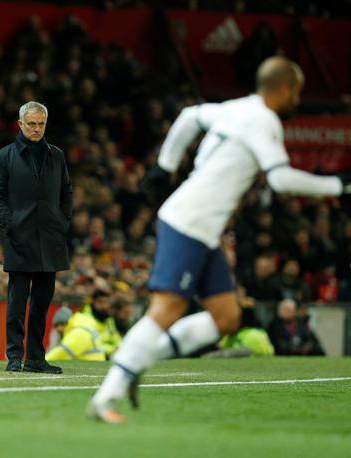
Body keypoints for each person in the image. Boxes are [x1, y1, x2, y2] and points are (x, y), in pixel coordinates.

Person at [87, 56, 351, 423]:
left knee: (226, 318)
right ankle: (108, 393)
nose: (298, 100)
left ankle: (137, 361)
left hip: (202, 228)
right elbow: (280, 180)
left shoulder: (234, 108)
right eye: (298, 92)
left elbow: (188, 117)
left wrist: (165, 165)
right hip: (190, 221)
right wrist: (339, 184)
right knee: (167, 310)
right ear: (285, 89)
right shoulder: (265, 121)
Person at [0, 101, 73, 373]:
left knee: (41, 305)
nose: (37, 129)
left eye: (41, 124)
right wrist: (12, 226)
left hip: (50, 240)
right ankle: (14, 356)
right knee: (17, 303)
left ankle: (36, 358)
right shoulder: (4, 157)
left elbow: (66, 192)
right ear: (20, 124)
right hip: (20, 239)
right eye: (32, 124)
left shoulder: (56, 155)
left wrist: (62, 223)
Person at [46, 289, 121, 362]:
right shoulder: (86, 320)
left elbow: (116, 338)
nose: (104, 306)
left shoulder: (108, 319)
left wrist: (119, 347)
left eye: (106, 303)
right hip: (103, 357)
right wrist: (113, 349)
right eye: (100, 302)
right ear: (92, 302)